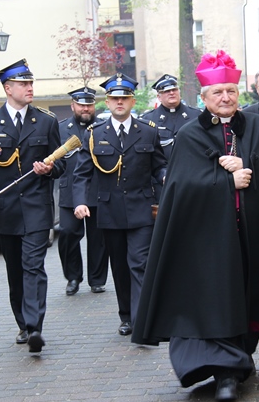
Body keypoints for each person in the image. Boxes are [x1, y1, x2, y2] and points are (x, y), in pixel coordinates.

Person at [131, 51, 259, 401]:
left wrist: (246, 166)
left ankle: (240, 359)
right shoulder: (190, 134)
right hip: (207, 240)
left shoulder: (257, 126)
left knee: (250, 302)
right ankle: (226, 373)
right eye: (218, 92)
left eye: (231, 91)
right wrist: (226, 183)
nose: (225, 98)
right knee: (217, 301)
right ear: (204, 98)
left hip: (251, 233)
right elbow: (180, 188)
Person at [0, 59, 62, 353]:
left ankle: (35, 327)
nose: (30, 88)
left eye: (31, 83)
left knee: (34, 266)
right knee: (16, 271)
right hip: (5, 208)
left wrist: (49, 169)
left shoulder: (46, 121)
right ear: (8, 88)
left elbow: (61, 165)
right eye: (23, 84)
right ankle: (22, 322)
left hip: (36, 208)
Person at [72, 73, 167, 336]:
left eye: (125, 98)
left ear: (133, 101)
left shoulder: (148, 131)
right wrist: (80, 202)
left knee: (140, 263)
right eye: (114, 99)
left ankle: (141, 320)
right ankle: (126, 316)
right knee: (120, 267)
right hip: (109, 211)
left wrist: (165, 177)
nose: (120, 102)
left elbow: (159, 166)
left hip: (141, 208)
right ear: (107, 102)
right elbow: (81, 174)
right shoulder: (94, 134)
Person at [57, 87, 109, 296]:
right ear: (73, 106)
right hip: (70, 190)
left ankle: (97, 279)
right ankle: (72, 276)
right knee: (68, 233)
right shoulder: (61, 129)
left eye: (89, 104)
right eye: (81, 105)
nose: (85, 109)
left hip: (97, 189)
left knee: (99, 238)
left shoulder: (103, 127)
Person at [140, 74, 201, 201]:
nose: (171, 93)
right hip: (160, 185)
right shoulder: (148, 120)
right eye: (166, 91)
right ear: (159, 96)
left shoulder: (196, 116)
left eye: (174, 89)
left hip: (193, 181)